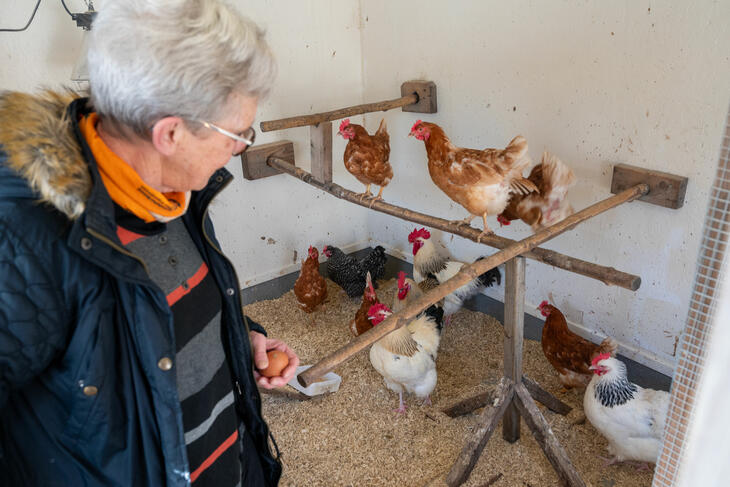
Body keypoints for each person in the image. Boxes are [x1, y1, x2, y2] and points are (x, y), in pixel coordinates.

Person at [0, 1, 299, 485]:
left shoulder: (174, 192)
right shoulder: (21, 245)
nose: (241, 146)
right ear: (171, 133)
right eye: (237, 132)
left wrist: (239, 336)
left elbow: (157, 307)